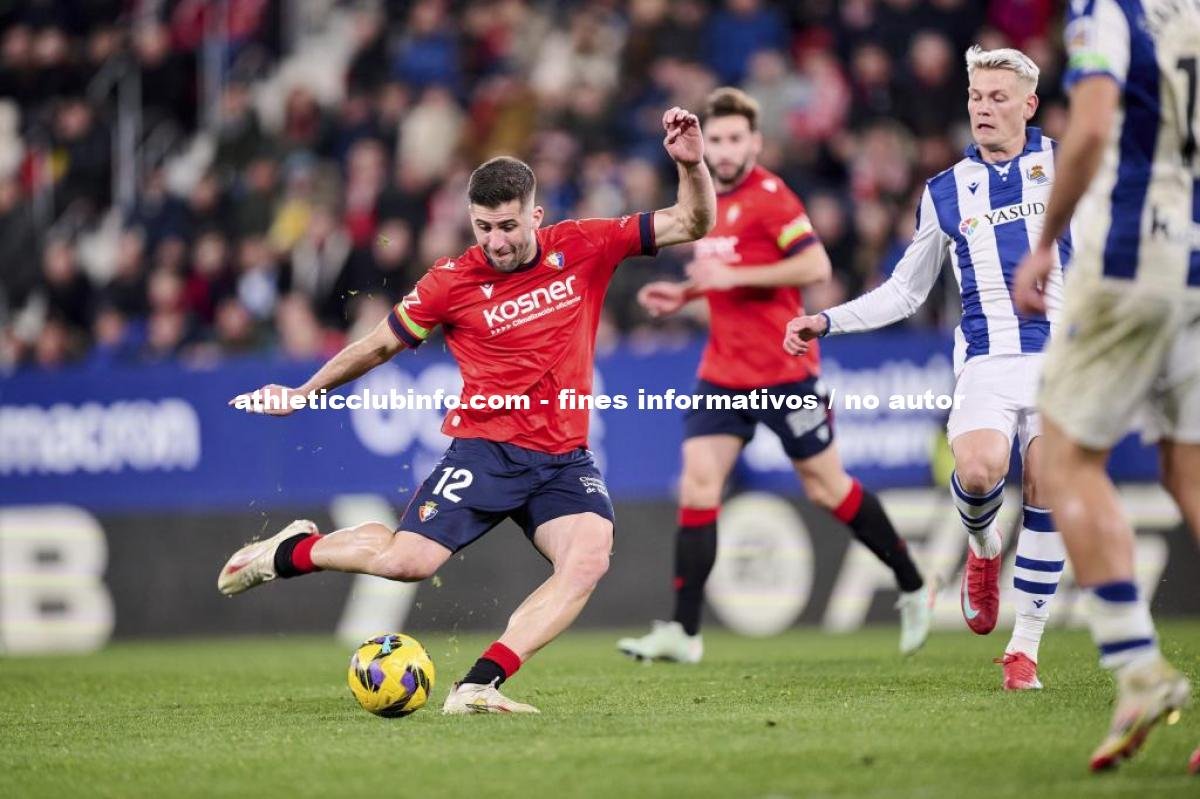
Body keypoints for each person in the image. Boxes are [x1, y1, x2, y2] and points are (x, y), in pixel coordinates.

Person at [216, 107, 717, 715]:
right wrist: (303, 392)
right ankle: (288, 551)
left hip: (562, 460)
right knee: (407, 562)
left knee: (587, 560)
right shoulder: (450, 281)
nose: (497, 241)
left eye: (508, 226)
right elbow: (377, 344)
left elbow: (692, 220)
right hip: (485, 451)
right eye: (483, 228)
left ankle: (477, 685)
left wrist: (690, 164)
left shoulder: (585, 244)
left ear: (536, 213)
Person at [784, 47, 1071, 690]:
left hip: (1062, 358)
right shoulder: (945, 191)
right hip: (987, 359)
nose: (983, 108)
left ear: (1028, 104)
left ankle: (1023, 649)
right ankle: (983, 548)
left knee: (1049, 482)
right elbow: (906, 292)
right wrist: (827, 319)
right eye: (976, 97)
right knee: (977, 469)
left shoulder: (1064, 165)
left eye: (999, 98)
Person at [617, 87, 932, 664]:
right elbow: (721, 276)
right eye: (716, 139)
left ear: (756, 142)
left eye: (737, 139)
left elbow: (816, 265)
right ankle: (684, 632)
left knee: (826, 487)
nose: (727, 149)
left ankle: (912, 583)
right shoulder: (704, 200)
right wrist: (685, 292)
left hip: (784, 372)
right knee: (697, 486)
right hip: (722, 375)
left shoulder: (773, 198)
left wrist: (729, 281)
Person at [1012, 0, 1199, 772]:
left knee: (1062, 459)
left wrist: (1047, 240)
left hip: (1129, 259)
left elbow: (1089, 128)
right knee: (1188, 471)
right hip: (1195, 256)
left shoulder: (1109, 7)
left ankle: (1137, 668)